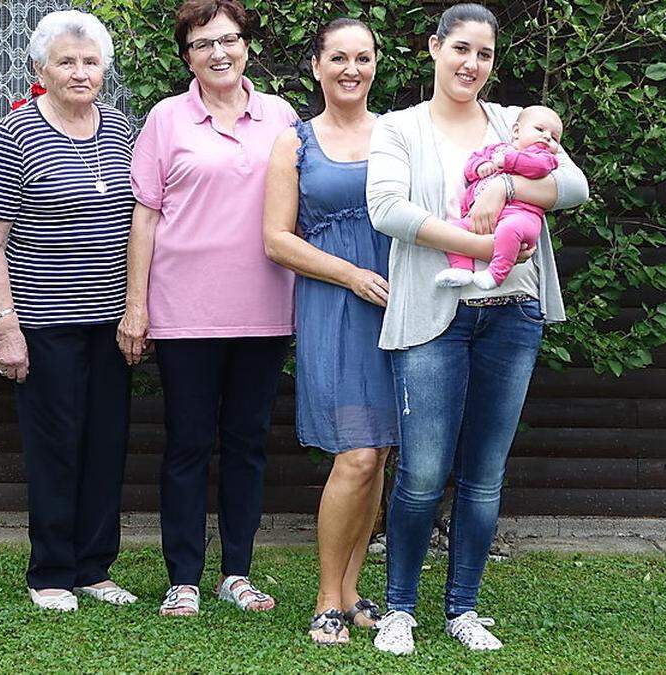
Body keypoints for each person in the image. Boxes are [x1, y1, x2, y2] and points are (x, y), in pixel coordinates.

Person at [365, 3, 590, 654]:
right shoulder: (398, 128)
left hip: (511, 311)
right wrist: (472, 234)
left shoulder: (514, 123)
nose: (471, 63)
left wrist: (504, 188)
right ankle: (400, 609)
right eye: (460, 48)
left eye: (485, 54)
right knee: (423, 472)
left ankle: (463, 608)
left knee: (485, 474)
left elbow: (571, 186)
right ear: (434, 48)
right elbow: (387, 208)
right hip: (433, 312)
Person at [121, 0, 298, 617]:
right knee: (188, 444)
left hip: (265, 309)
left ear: (246, 44)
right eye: (202, 45)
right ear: (186, 56)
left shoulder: (280, 117)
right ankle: (184, 578)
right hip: (184, 312)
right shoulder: (166, 119)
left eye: (228, 40)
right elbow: (145, 215)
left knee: (248, 444)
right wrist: (135, 306)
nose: (218, 53)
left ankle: (238, 572)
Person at [0, 9, 137, 612]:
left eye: (90, 61)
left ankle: (95, 569)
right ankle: (50, 572)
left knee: (105, 444)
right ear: (41, 70)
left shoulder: (121, 129)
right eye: (66, 62)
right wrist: (6, 326)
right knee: (55, 447)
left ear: (104, 69)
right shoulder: (17, 133)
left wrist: (137, 310)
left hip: (111, 322)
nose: (80, 72)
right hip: (44, 324)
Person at [262, 18, 395, 645]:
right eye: (338, 57)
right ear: (316, 66)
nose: (351, 69)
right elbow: (275, 238)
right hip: (336, 305)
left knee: (381, 458)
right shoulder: (294, 143)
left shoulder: (398, 136)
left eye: (363, 58)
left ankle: (352, 589)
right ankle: (326, 598)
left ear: (376, 65)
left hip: (398, 304)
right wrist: (350, 275)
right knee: (357, 452)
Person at [435, 105, 564, 290]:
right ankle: (461, 270)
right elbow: (471, 164)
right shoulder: (495, 150)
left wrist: (508, 161)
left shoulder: (545, 157)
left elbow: (538, 167)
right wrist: (480, 166)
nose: (546, 137)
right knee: (455, 229)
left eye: (554, 138)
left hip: (521, 217)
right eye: (540, 130)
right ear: (517, 131)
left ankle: (495, 274)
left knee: (509, 230)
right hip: (479, 219)